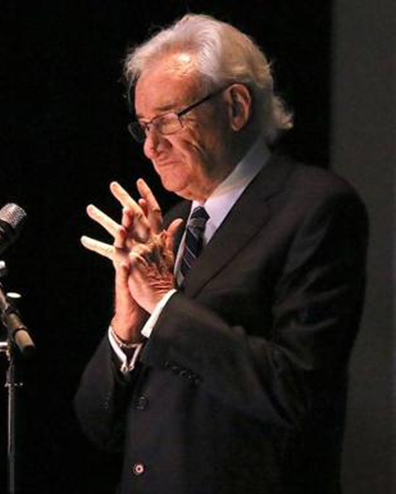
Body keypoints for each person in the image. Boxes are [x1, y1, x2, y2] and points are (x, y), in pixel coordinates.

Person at [74, 14, 367, 494]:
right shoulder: (168, 226)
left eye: (168, 120)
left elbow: (296, 391)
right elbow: (99, 427)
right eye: (144, 126)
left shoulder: (315, 206)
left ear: (235, 106)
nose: (150, 146)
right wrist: (127, 325)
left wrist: (166, 304)